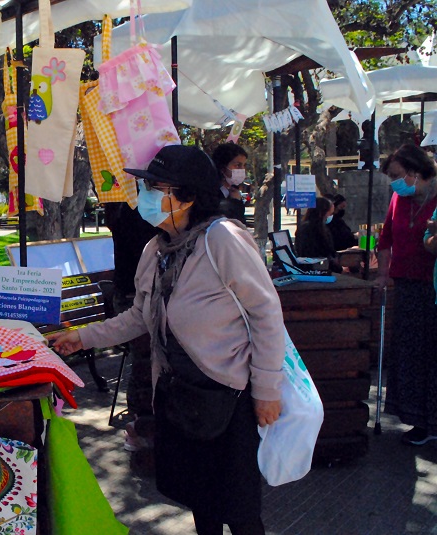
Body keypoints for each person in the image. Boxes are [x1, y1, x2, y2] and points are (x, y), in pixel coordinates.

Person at [48, 145, 284, 535]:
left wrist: (268, 389)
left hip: (228, 396)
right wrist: (82, 337)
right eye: (147, 186)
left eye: (157, 188)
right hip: (179, 395)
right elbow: (140, 316)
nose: (147, 196)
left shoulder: (223, 239)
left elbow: (266, 315)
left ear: (189, 196)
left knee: (238, 507)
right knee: (200, 499)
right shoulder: (156, 249)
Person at [377, 143, 437, 446]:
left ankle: (432, 419)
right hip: (406, 284)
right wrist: (383, 273)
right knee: (409, 352)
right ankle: (416, 419)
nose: (395, 183)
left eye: (398, 175)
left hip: (433, 286)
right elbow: (385, 238)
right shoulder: (399, 198)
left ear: (415, 172)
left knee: (432, 354)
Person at [294, 197, 342, 273]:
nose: (330, 216)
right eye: (330, 213)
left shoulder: (308, 227)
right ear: (322, 212)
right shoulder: (313, 229)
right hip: (317, 267)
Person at [211, 143, 248, 223]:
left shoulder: (234, 192)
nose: (242, 169)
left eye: (244, 165)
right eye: (238, 165)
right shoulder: (211, 195)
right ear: (222, 168)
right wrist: (235, 202)